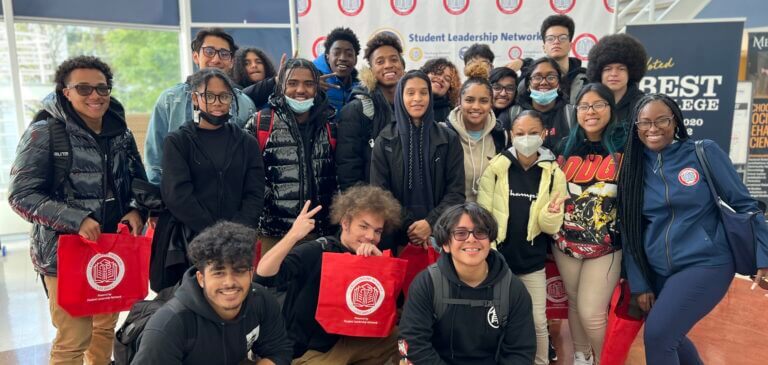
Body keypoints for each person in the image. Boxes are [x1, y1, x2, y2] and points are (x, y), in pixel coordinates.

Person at [8, 55, 147, 365]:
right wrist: (76, 219)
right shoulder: (45, 132)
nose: (95, 96)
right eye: (84, 88)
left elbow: (139, 181)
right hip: (64, 253)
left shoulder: (120, 132)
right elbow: (21, 195)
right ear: (65, 91)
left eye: (102, 88)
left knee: (104, 329)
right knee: (74, 337)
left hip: (111, 247)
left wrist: (137, 210)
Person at [618, 94, 768, 364]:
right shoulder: (633, 166)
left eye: (662, 120)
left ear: (675, 121)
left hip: (706, 262)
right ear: (636, 127)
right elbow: (630, 228)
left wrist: (764, 256)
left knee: (659, 336)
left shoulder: (702, 152)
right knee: (668, 336)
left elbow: (745, 204)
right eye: (645, 122)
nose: (653, 128)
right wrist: (640, 284)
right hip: (658, 271)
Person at [255, 185, 403, 363]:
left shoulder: (374, 255)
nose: (371, 236)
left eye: (377, 231)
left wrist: (381, 268)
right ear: (345, 223)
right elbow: (263, 275)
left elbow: (394, 308)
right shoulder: (318, 250)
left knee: (399, 336)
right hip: (310, 350)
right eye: (364, 226)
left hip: (349, 339)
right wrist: (292, 236)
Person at [155, 68, 265, 288]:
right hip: (191, 240)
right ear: (195, 98)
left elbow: (254, 193)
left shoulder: (246, 142)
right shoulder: (177, 141)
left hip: (237, 241)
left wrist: (235, 234)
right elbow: (177, 195)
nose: (218, 102)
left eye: (224, 96)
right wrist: (214, 234)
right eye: (209, 96)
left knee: (231, 298)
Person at [477, 110, 568, 365]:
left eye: (532, 133)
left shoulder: (553, 174)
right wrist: (490, 254)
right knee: (493, 319)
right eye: (519, 133)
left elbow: (551, 227)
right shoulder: (496, 169)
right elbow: (483, 217)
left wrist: (550, 214)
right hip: (497, 261)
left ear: (543, 134)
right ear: (511, 135)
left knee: (538, 321)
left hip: (532, 262)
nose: (525, 138)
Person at [132, 221, 293, 365]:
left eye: (239, 271)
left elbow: (279, 351)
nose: (229, 282)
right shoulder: (170, 324)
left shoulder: (261, 300)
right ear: (201, 278)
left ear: (251, 274)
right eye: (219, 273)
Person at [398, 202, 536, 364]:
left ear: (490, 240)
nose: (471, 239)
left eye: (480, 232)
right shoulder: (426, 284)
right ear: (445, 244)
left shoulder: (513, 289)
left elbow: (521, 351)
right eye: (461, 233)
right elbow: (412, 343)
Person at [552, 83, 626, 365]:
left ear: (610, 108)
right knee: (573, 303)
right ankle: (582, 358)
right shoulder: (564, 145)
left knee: (592, 312)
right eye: (584, 106)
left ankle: (608, 361)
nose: (590, 112)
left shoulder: (625, 145)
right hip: (565, 242)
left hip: (606, 246)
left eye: (598, 105)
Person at [245, 58, 337, 253]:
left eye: (309, 83)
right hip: (274, 234)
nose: (301, 90)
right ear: (281, 86)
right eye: (292, 83)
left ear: (316, 87)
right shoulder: (261, 123)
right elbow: (244, 177)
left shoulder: (331, 124)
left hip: (320, 234)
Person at [144, 28, 256, 185]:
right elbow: (154, 159)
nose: (216, 59)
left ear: (231, 62)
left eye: (224, 54)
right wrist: (157, 200)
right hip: (178, 199)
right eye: (209, 51)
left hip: (230, 198)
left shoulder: (244, 104)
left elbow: (250, 160)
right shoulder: (170, 100)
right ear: (196, 56)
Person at [370, 70, 465, 250]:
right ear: (400, 96)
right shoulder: (385, 139)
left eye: (423, 92)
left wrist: (430, 224)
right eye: (410, 92)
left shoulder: (448, 138)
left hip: (440, 236)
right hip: (395, 235)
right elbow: (380, 193)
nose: (417, 98)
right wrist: (411, 227)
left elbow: (456, 193)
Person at [336, 33, 406, 191]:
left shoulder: (413, 108)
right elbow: (348, 170)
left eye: (394, 59)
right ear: (371, 71)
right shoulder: (356, 110)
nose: (388, 65)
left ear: (402, 66)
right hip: (374, 206)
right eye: (380, 61)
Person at [444, 63, 507, 202]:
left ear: (491, 103)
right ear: (459, 101)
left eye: (483, 101)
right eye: (469, 100)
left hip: (489, 217)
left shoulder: (501, 136)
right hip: (453, 216)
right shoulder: (444, 134)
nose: (476, 107)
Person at [515, 15, 587, 104]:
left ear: (570, 45)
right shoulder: (527, 80)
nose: (556, 42)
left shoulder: (584, 80)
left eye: (562, 38)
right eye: (550, 39)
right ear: (544, 47)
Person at [586, 33, 647, 129]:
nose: (614, 73)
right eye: (608, 69)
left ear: (631, 71)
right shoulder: (588, 104)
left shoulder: (644, 105)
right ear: (598, 72)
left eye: (621, 68)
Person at [517, 57, 573, 150]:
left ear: (559, 84)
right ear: (528, 84)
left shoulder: (572, 114)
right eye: (537, 77)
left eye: (551, 77)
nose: (543, 82)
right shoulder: (514, 114)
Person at [313, 27, 361, 113]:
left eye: (349, 54)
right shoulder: (313, 79)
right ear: (327, 57)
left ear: (355, 60)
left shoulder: (360, 86)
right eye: (336, 53)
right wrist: (311, 90)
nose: (342, 58)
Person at [420, 57, 461, 123]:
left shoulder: (452, 117)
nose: (441, 79)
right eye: (438, 73)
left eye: (447, 79)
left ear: (450, 89)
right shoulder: (408, 102)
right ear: (425, 74)